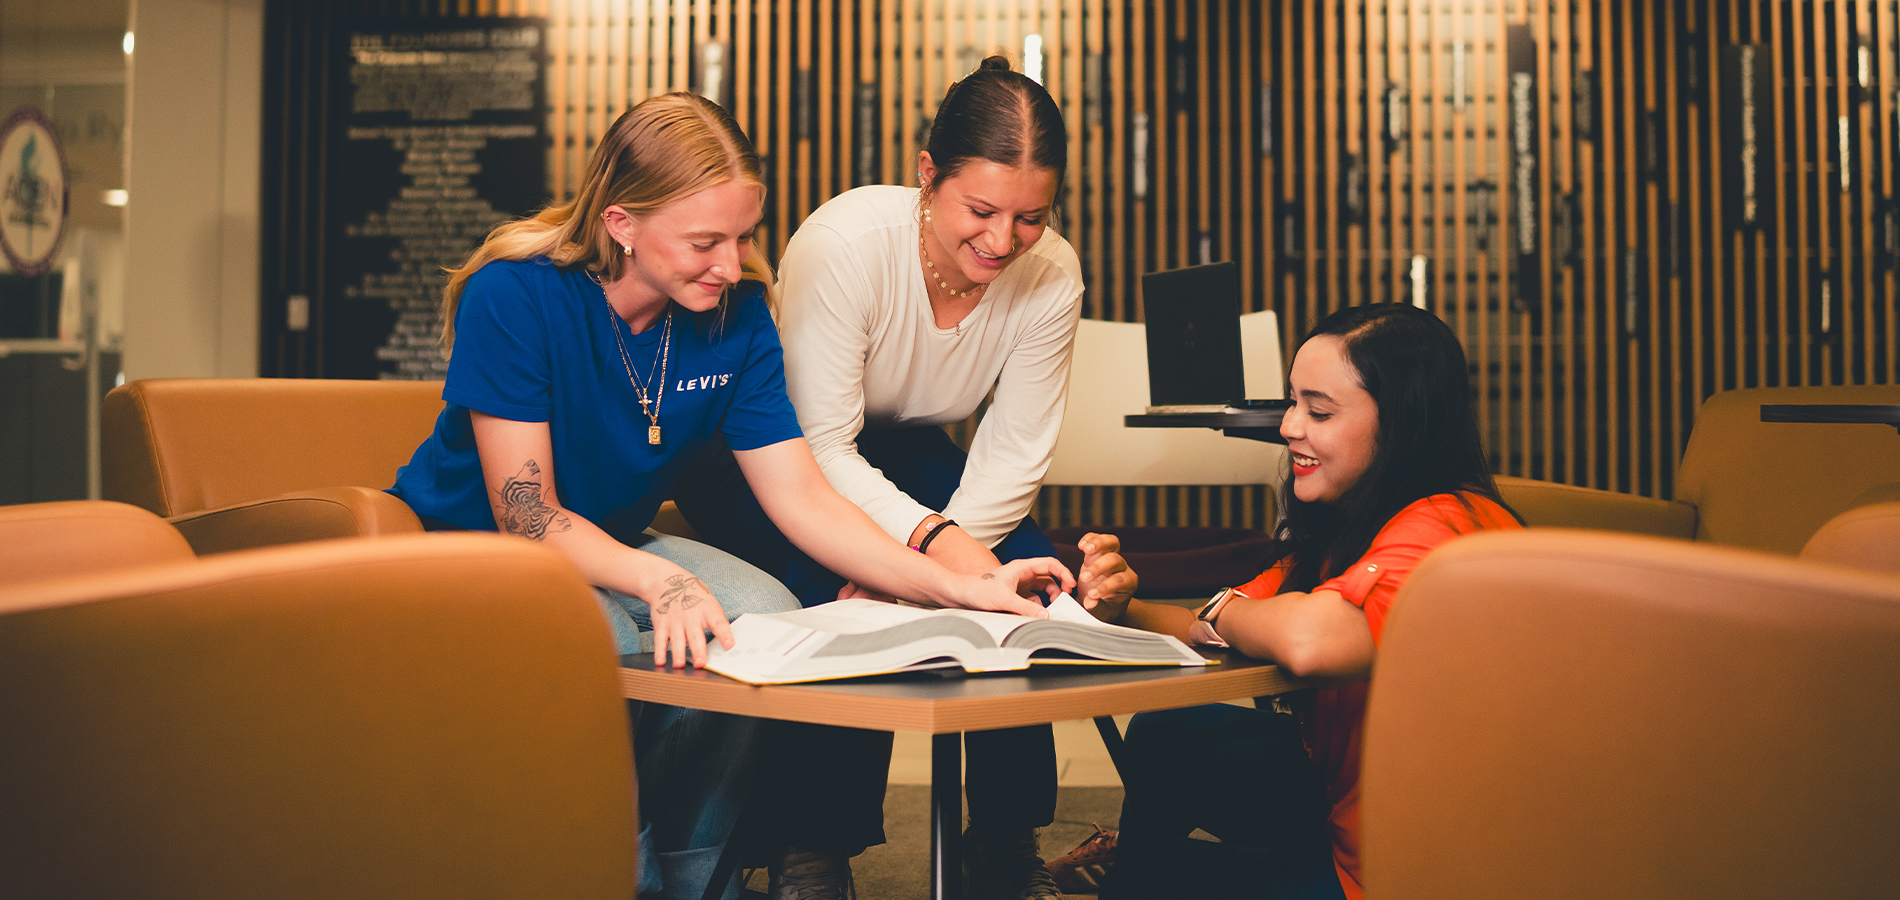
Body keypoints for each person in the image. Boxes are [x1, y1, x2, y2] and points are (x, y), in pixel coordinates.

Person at [387, 91, 1075, 900]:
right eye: (705, 242)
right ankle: (616, 872)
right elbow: (525, 513)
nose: (733, 262)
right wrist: (660, 579)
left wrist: (961, 585)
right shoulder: (516, 296)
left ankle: (696, 874)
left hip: (603, 538)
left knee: (771, 611)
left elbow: (804, 499)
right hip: (474, 548)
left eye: (743, 236)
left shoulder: (738, 314)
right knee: (597, 635)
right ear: (621, 225)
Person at [670, 57, 1105, 898]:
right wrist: (922, 562)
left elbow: (1011, 457)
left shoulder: (1051, 272)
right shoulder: (846, 243)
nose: (1003, 241)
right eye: (980, 210)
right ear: (926, 176)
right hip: (769, 454)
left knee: (1026, 580)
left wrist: (960, 569)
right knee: (837, 587)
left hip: (904, 450)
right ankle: (811, 851)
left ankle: (1007, 842)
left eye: (1030, 217)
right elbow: (823, 450)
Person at [1075, 303, 1525, 900]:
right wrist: (1119, 605)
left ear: (1403, 423)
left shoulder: (1442, 528)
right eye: (1292, 402)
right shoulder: (1357, 526)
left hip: (1414, 867)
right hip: (1355, 806)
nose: (1289, 426)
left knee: (1155, 877)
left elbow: (1309, 641)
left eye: (1318, 411)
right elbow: (1199, 625)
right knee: (1170, 734)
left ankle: (1137, 871)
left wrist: (1223, 615)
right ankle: (1136, 864)